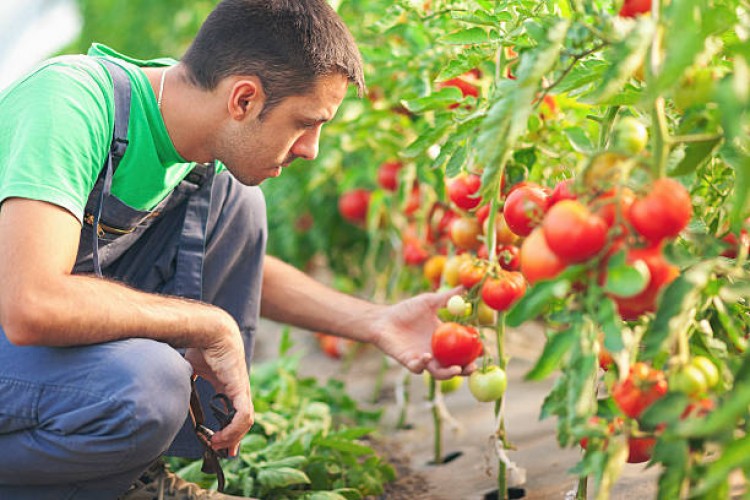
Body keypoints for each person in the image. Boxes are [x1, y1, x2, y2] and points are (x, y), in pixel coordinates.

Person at [0, 0, 471, 498]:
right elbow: (33, 305)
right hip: (18, 325)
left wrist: (376, 322)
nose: (311, 148)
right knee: (148, 387)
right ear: (243, 100)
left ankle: (129, 473)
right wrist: (211, 323)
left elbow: (230, 265)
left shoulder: (182, 126)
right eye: (305, 122)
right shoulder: (71, 103)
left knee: (234, 202)